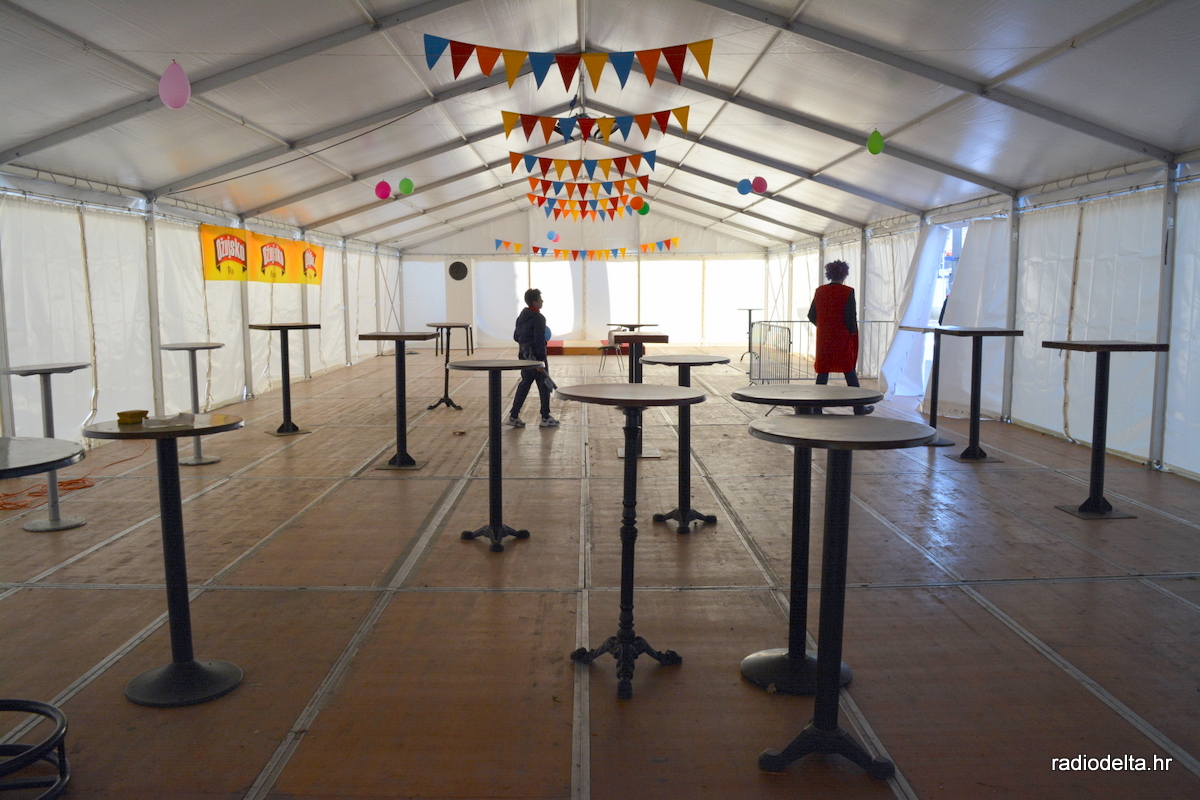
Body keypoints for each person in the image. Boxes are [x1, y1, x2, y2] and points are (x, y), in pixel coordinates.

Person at [807, 259, 873, 415]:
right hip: (842, 338)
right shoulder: (848, 292)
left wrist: (823, 326)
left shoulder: (820, 291)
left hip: (824, 337)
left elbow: (811, 315)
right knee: (849, 371)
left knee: (823, 371)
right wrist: (851, 331)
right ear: (844, 274)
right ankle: (858, 407)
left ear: (829, 274)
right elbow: (850, 316)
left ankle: (817, 408)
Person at [507, 287, 560, 428]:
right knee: (544, 386)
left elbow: (516, 337)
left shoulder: (521, 317)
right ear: (535, 302)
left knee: (525, 384)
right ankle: (545, 417)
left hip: (524, 356)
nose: (542, 301)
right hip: (536, 358)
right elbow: (539, 340)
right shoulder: (538, 318)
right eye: (540, 299)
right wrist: (541, 361)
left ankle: (513, 415)